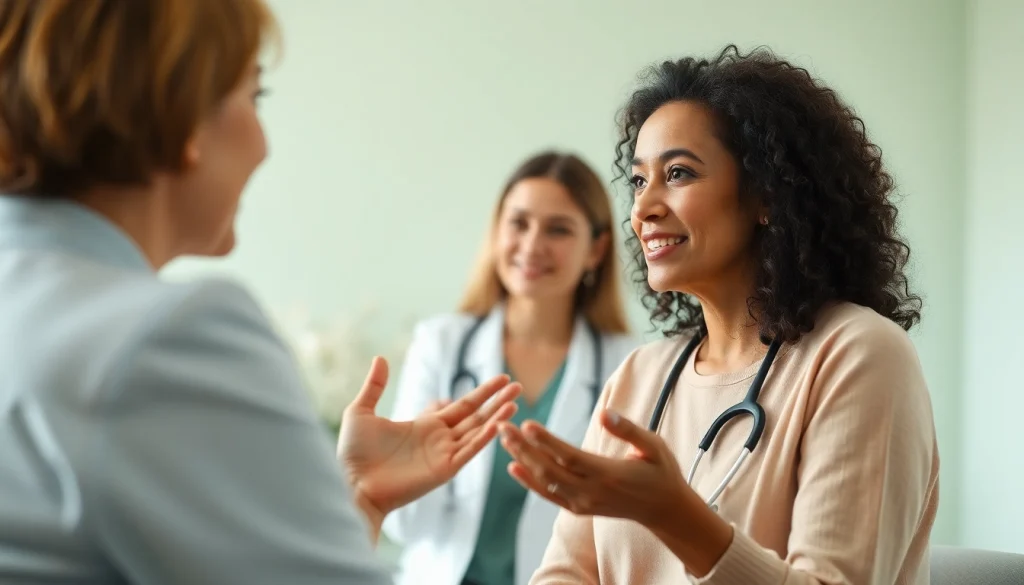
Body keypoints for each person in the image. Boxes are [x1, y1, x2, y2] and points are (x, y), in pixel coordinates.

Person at [0, 1, 521, 583]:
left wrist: (358, 498)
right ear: (187, 118)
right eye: (254, 96)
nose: (263, 144)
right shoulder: (170, 339)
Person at [498, 45, 940, 584]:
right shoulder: (640, 378)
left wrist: (676, 517)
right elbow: (564, 574)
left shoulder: (858, 355)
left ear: (767, 195)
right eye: (639, 180)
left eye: (678, 173)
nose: (643, 209)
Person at [383, 151, 641, 585]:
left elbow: (626, 534)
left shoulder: (629, 365)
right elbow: (400, 526)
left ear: (595, 250)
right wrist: (411, 470)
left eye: (558, 229)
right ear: (496, 231)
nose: (532, 245)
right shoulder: (440, 344)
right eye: (518, 223)